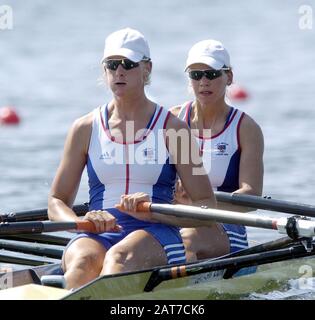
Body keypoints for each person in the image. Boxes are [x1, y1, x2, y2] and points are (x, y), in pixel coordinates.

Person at [48, 28, 216, 289]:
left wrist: (157, 215)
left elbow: (207, 207)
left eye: (128, 64)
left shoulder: (173, 129)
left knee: (118, 259)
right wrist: (82, 222)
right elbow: (57, 201)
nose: (119, 72)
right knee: (82, 262)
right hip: (97, 232)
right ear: (104, 71)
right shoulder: (84, 128)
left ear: (147, 69)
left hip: (157, 232)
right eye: (112, 65)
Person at [171, 39, 264, 262]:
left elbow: (251, 197)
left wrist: (201, 203)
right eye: (196, 75)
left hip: (226, 225)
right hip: (174, 220)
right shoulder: (171, 120)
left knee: (186, 241)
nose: (204, 81)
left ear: (229, 77)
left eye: (211, 74)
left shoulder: (246, 128)